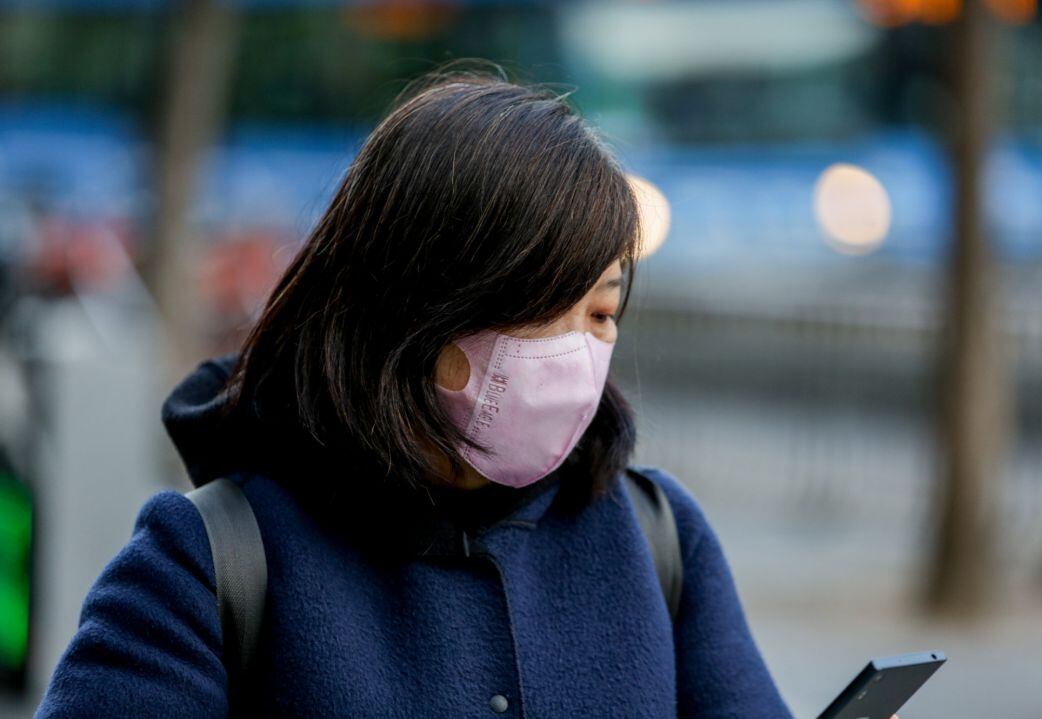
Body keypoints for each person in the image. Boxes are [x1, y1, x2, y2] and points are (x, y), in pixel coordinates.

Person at [33, 63, 882, 719]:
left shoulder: (657, 538)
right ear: (418, 307)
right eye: (542, 307)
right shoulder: (208, 562)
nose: (579, 353)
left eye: (601, 312)